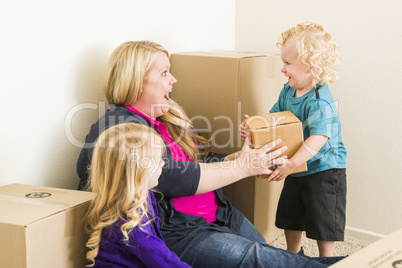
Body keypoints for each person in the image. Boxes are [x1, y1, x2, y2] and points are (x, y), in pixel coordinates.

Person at [77, 40, 344, 267]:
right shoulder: (116, 127)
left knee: (274, 259)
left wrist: (236, 159)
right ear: (135, 81)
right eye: (164, 73)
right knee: (263, 259)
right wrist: (244, 168)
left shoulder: (165, 117)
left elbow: (197, 162)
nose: (173, 80)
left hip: (220, 214)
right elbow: (168, 176)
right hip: (183, 232)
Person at [240, 21, 347, 257]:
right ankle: (292, 252)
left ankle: (326, 259)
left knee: (323, 219)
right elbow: (275, 117)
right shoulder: (288, 90)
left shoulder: (320, 100)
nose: (282, 69)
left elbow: (318, 138)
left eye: (287, 63)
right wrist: (254, 127)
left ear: (311, 67)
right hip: (296, 166)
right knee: (291, 213)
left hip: (324, 169)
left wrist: (290, 164)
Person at [85, 123, 191, 267]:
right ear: (138, 173)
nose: (162, 163)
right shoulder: (128, 221)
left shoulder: (142, 195)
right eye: (157, 160)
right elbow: (163, 260)